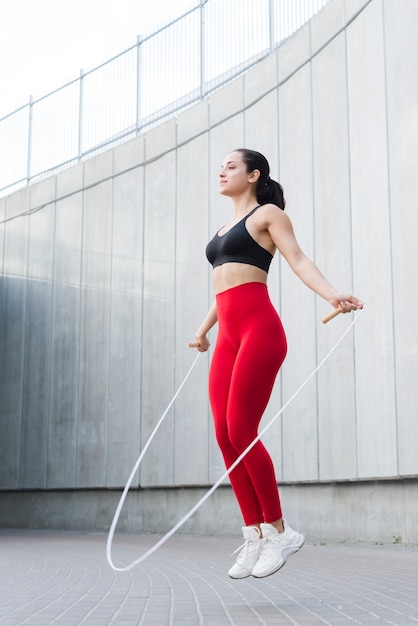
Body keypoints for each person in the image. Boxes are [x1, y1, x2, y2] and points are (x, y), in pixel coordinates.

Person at [191, 149, 363, 579]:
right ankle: (255, 534)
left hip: (259, 331)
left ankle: (280, 532)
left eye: (231, 166)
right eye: (222, 165)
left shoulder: (268, 215)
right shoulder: (221, 229)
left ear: (253, 175)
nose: (222, 170)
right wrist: (203, 330)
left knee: (242, 429)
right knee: (225, 435)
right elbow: (223, 288)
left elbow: (298, 260)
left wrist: (332, 295)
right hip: (228, 333)